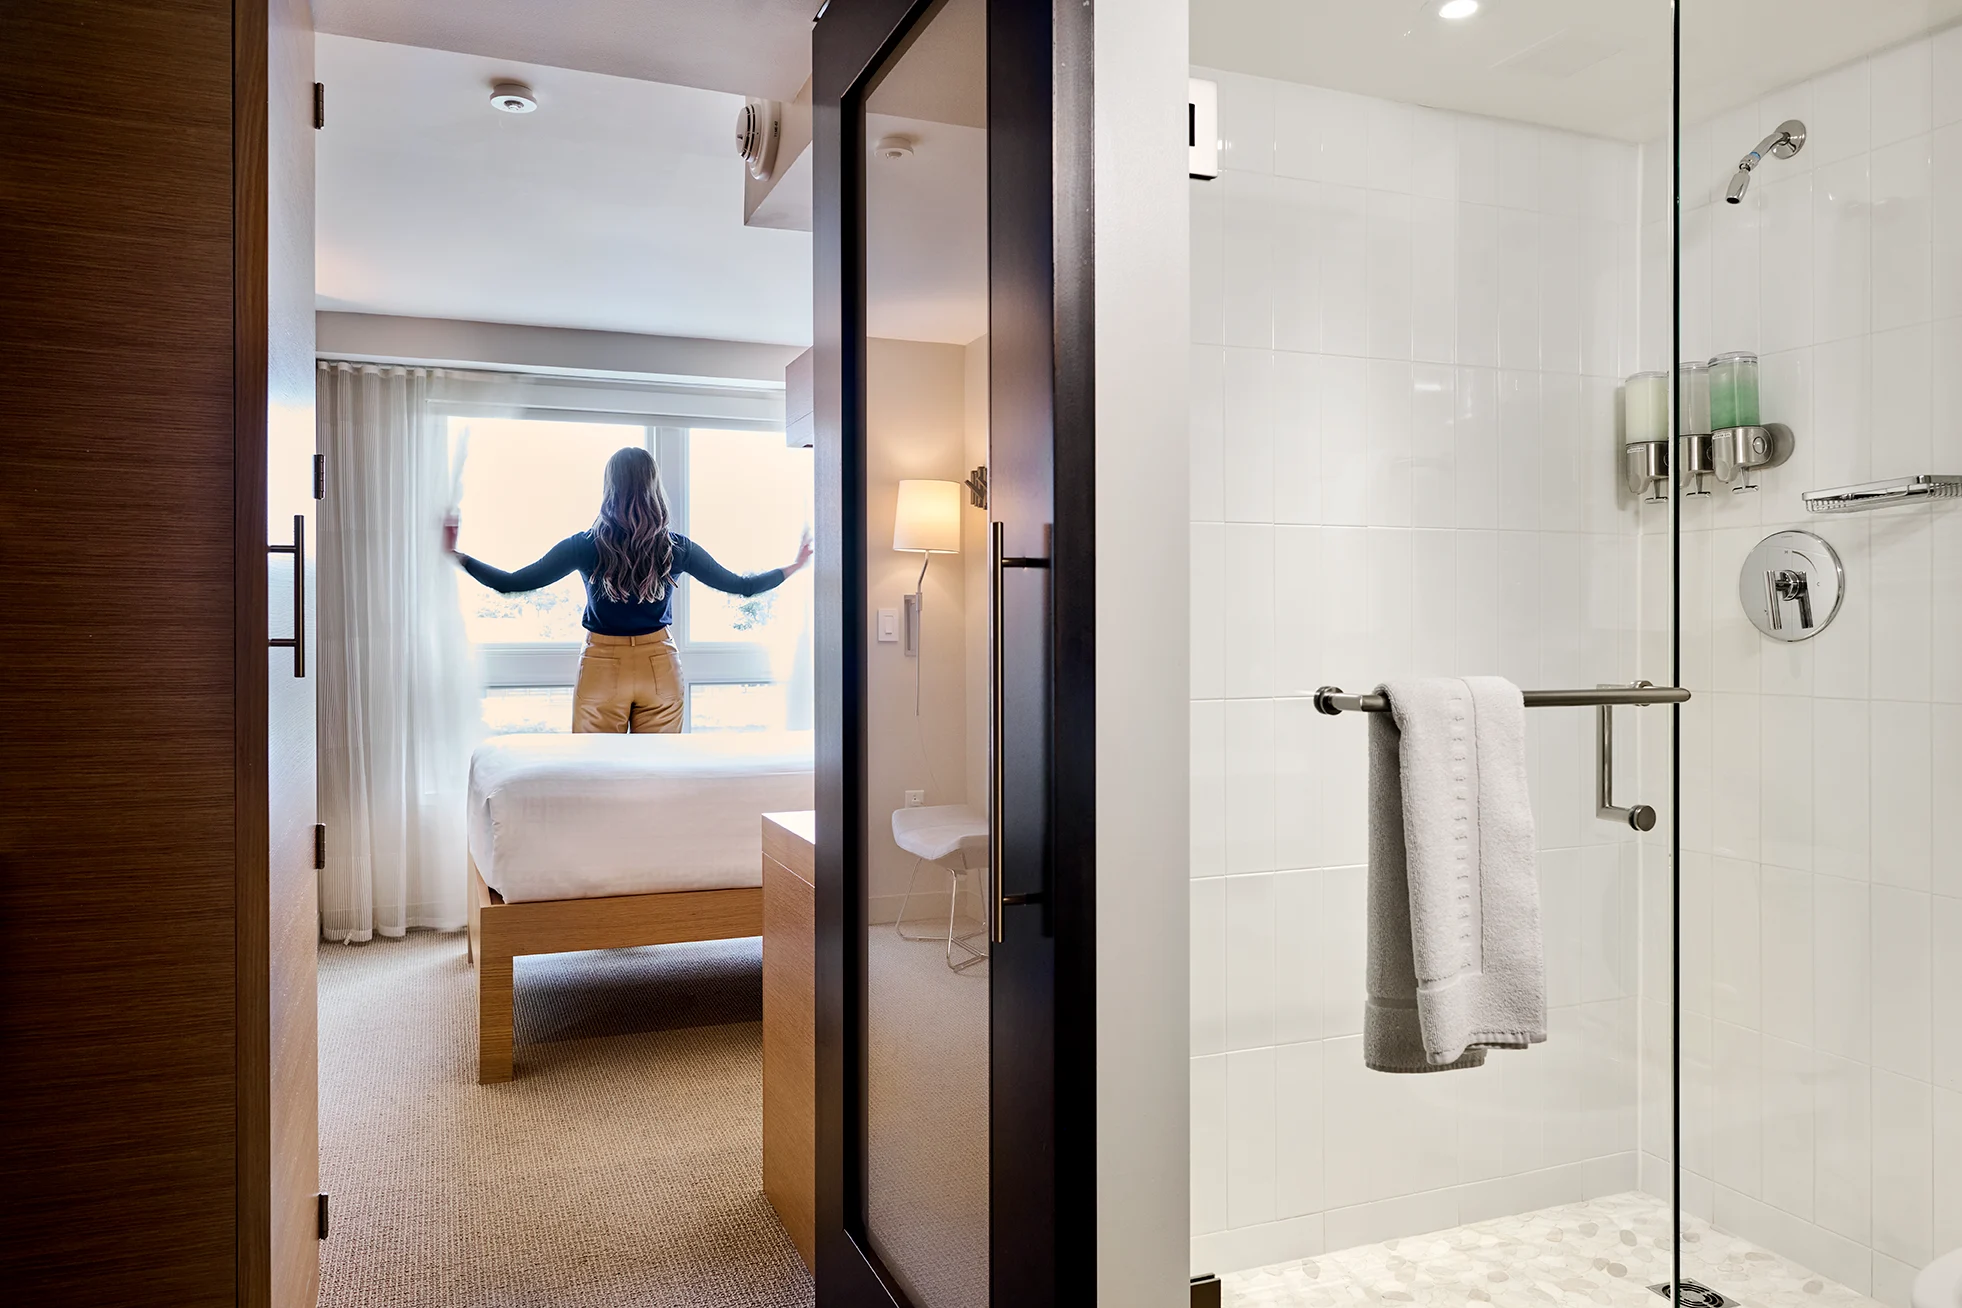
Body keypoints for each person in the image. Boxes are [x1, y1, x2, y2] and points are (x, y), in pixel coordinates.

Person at [447, 445, 811, 734]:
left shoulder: (585, 544)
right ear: (654, 486)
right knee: (657, 776)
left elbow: (513, 583)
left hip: (602, 664)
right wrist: (792, 567)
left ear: (610, 486)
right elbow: (741, 587)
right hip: (660, 666)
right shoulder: (676, 547)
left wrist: (458, 555)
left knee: (595, 775)